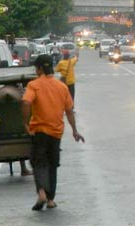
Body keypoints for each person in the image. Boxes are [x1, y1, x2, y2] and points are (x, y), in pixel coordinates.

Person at [22, 55, 84, 211]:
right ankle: (50, 200)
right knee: (52, 164)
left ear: (40, 69)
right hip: (56, 133)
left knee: (38, 162)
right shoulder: (62, 87)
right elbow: (69, 111)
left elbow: (25, 102)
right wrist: (75, 131)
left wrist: (25, 122)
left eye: (36, 68)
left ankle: (42, 192)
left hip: (39, 131)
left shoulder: (34, 85)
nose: (36, 71)